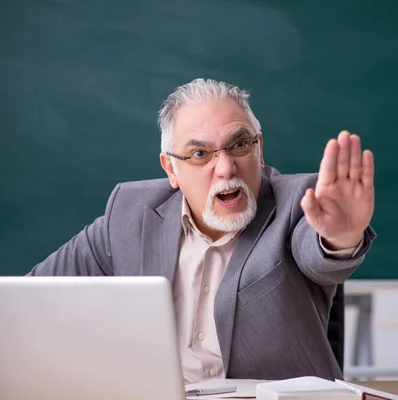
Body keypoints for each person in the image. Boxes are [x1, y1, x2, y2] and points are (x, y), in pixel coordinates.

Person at [28, 78, 376, 382]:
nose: (225, 168)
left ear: (259, 148)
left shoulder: (300, 203)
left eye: (239, 145)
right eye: (199, 153)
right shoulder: (129, 214)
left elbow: (320, 256)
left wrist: (341, 237)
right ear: (171, 169)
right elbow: (30, 297)